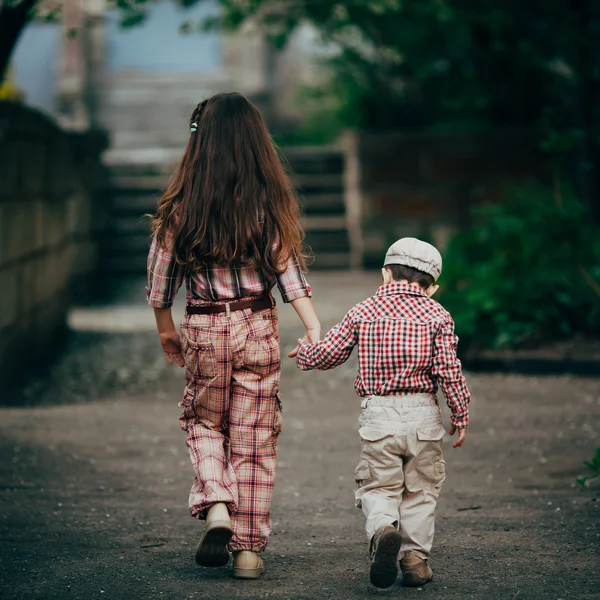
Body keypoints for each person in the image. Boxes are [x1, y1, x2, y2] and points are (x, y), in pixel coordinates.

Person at [146, 93, 320, 580]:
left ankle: (217, 503)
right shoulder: (267, 204)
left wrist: (166, 330)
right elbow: (286, 272)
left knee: (202, 422)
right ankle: (247, 552)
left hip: (203, 325)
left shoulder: (182, 206)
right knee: (255, 439)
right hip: (257, 327)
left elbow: (161, 279)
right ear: (255, 143)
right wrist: (312, 324)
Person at [293, 238, 471, 589]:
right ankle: (415, 560)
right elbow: (449, 371)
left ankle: (383, 529)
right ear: (432, 287)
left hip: (379, 415)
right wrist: (460, 415)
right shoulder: (438, 315)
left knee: (378, 485)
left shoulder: (364, 310)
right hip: (423, 416)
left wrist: (304, 352)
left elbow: (329, 354)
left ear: (385, 273)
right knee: (421, 490)